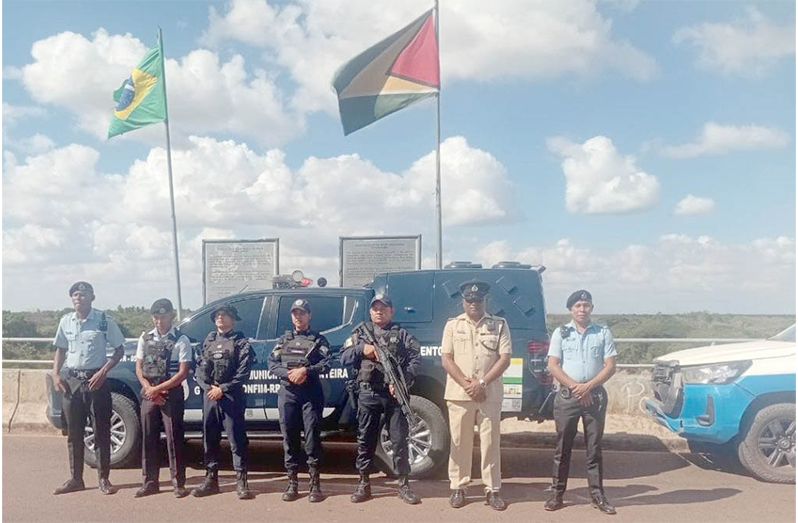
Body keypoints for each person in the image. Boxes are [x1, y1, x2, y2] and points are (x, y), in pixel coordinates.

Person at [340, 294, 422, 505]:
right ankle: (364, 484)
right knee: (365, 441)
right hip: (368, 394)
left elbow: (415, 360)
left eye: (384, 308)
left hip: (394, 396)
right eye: (375, 308)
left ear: (391, 311)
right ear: (370, 311)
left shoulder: (402, 334)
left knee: (399, 441)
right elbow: (343, 357)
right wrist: (362, 350)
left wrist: (402, 381)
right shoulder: (360, 334)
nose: (379, 311)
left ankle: (403, 485)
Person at [441, 280, 511, 511]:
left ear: (485, 301)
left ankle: (492, 489)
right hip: (459, 394)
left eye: (478, 300)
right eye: (470, 300)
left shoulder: (499, 324)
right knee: (460, 442)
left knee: (491, 443)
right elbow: (446, 359)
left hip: (488, 394)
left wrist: (481, 383)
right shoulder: (452, 325)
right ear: (463, 302)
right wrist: (466, 384)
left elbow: (504, 358)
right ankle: (459, 487)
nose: (474, 304)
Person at [546, 290, 617, 515]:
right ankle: (557, 495)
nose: (582, 309)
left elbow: (610, 366)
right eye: (577, 305)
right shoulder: (561, 332)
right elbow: (553, 365)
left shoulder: (603, 332)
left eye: (586, 305)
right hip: (568, 397)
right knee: (562, 447)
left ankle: (597, 495)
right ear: (571, 309)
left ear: (592, 308)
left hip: (594, 396)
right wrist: (576, 388)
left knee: (594, 448)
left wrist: (589, 386)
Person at [51, 281, 125, 495]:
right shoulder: (66, 321)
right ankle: (76, 479)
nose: (79, 298)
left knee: (101, 430)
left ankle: (104, 478)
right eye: (75, 295)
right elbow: (60, 350)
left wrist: (103, 371)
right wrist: (56, 374)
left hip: (97, 381)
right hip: (72, 382)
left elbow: (119, 350)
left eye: (83, 294)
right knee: (74, 433)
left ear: (92, 297)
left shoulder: (103, 321)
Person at [267, 299, 332, 503]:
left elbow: (327, 363)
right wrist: (288, 374)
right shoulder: (283, 340)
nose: (298, 316)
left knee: (312, 439)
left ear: (309, 315)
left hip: (310, 394)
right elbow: (271, 363)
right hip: (288, 394)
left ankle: (314, 484)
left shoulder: (319, 340)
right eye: (295, 313)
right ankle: (292, 483)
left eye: (302, 313)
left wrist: (306, 371)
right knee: (290, 439)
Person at [191, 304, 256, 500]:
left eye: (225, 315)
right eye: (217, 316)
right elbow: (199, 370)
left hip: (231, 396)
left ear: (233, 319)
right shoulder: (208, 341)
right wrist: (209, 388)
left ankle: (241, 482)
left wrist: (223, 388)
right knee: (209, 439)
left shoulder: (241, 343)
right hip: (210, 396)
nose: (220, 318)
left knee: (236, 440)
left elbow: (243, 373)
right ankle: (211, 480)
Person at [134, 298, 192, 498]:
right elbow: (139, 368)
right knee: (148, 438)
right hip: (150, 393)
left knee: (174, 439)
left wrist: (158, 389)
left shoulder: (182, 340)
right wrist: (149, 389)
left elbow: (182, 373)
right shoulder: (145, 338)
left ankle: (178, 483)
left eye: (163, 317)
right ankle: (149, 482)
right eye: (156, 317)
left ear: (172, 316)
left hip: (171, 394)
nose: (159, 321)